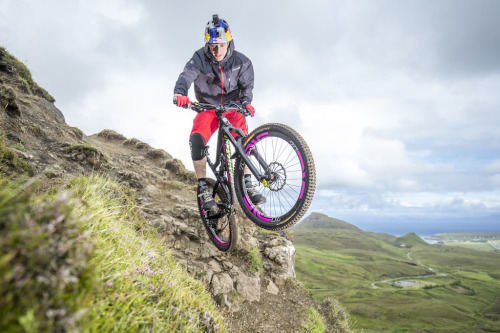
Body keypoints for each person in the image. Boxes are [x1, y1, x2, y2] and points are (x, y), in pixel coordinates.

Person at [174, 14, 265, 212]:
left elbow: (247, 86)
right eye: (213, 45)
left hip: (232, 108)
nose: (217, 51)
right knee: (197, 138)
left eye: (222, 45)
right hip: (208, 108)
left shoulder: (243, 61)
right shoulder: (198, 58)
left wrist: (246, 102)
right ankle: (203, 187)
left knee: (244, 141)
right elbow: (186, 76)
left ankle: (248, 183)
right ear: (207, 42)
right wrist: (180, 93)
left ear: (229, 41)